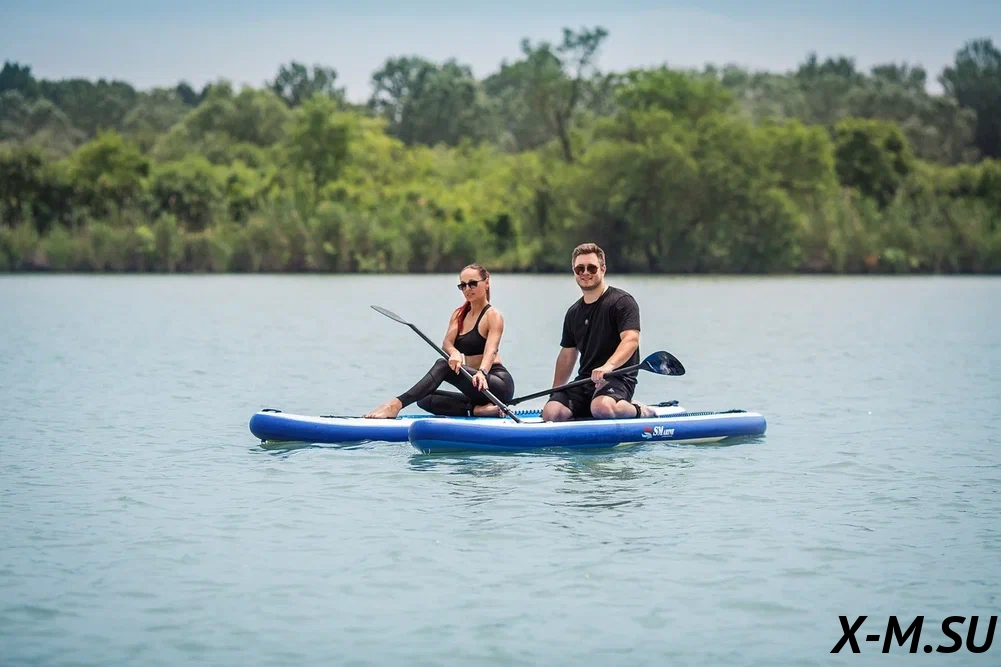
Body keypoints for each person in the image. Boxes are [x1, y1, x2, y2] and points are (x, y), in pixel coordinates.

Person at [364, 263, 516, 419]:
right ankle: (479, 410)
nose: (467, 289)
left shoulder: (493, 315)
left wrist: (482, 372)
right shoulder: (459, 314)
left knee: (443, 364)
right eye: (463, 285)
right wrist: (454, 353)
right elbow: (447, 343)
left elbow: (491, 350)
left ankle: (395, 405)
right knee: (424, 397)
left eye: (472, 284)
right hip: (475, 387)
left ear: (487, 283)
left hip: (495, 384)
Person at [541, 243, 656, 422]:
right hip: (586, 380)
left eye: (592, 268)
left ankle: (640, 410)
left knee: (601, 408)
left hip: (617, 378)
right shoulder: (573, 313)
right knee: (552, 413)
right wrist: (554, 392)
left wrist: (608, 366)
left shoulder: (622, 302)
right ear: (574, 272)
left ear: (603, 269)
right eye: (580, 268)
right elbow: (567, 355)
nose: (585, 272)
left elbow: (631, 340)